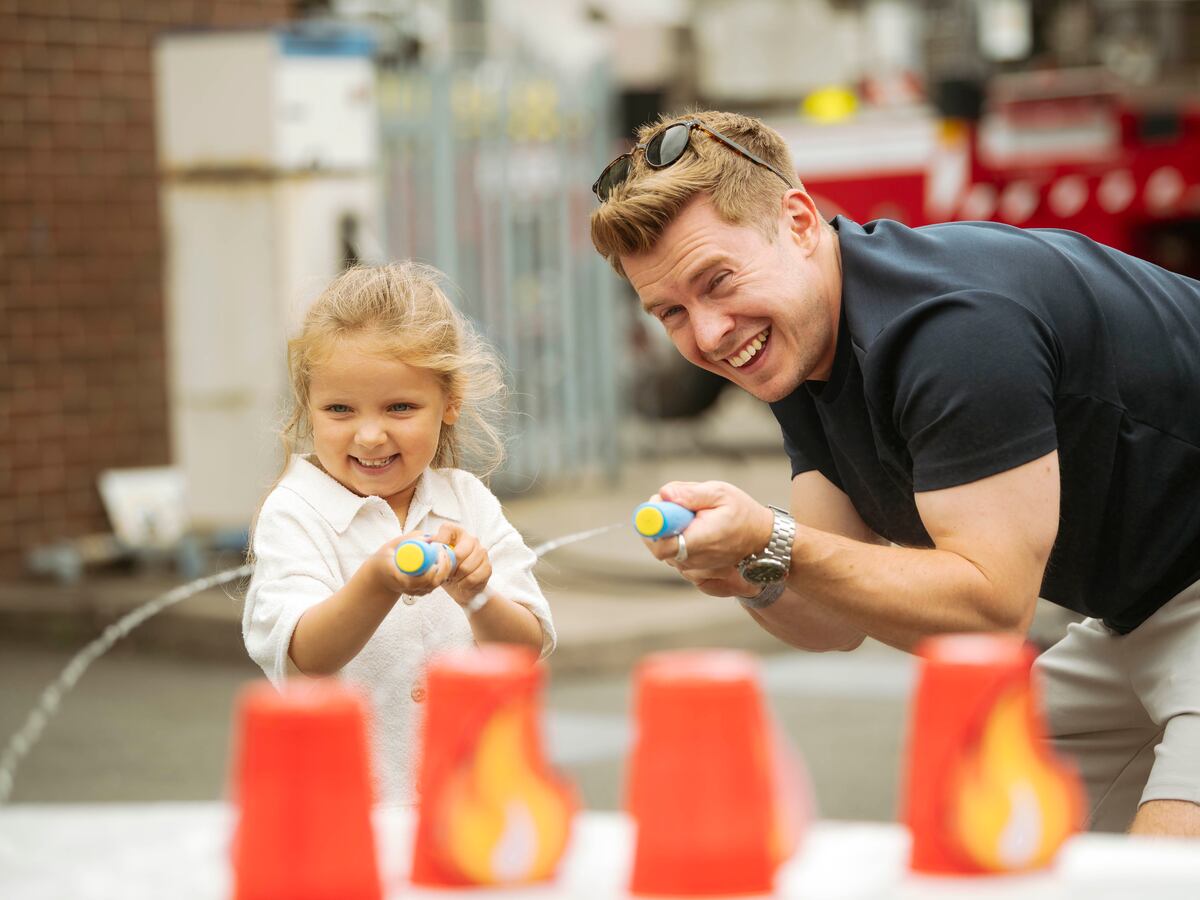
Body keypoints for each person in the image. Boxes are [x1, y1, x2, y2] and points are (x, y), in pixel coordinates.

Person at [590, 110, 1200, 837]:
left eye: (717, 281)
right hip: (1145, 607)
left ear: (800, 221)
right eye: (671, 312)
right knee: (980, 840)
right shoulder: (802, 348)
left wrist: (775, 541)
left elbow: (990, 611)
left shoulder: (951, 328)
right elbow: (834, 614)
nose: (711, 333)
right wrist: (750, 560)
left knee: (1158, 869)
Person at [242, 262, 555, 804]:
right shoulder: (295, 512)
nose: (369, 434)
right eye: (339, 409)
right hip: (342, 809)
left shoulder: (467, 502)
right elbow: (305, 653)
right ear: (308, 408)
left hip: (467, 804)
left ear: (449, 403)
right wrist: (378, 581)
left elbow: (523, 650)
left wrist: (477, 594)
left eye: (400, 407)